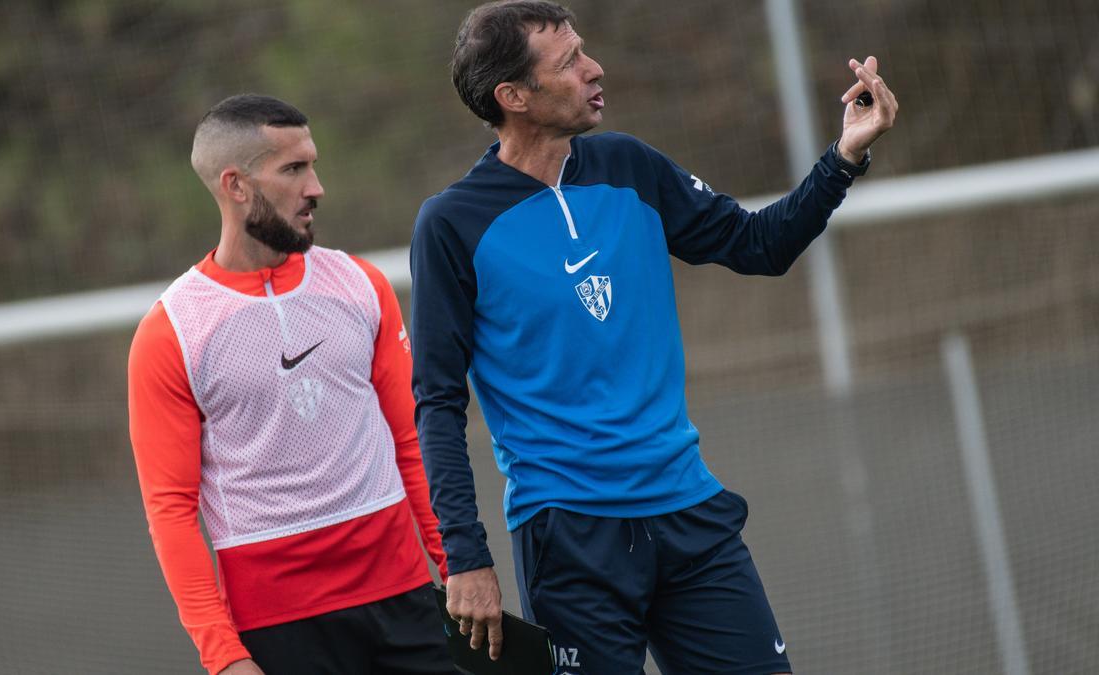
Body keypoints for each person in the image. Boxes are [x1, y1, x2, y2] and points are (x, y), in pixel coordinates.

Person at [408, 2, 897, 673]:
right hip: (569, 538)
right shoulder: (451, 223)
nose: (594, 69)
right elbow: (436, 402)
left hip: (689, 510)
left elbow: (760, 244)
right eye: (569, 62)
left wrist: (844, 155)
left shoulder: (627, 165)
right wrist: (465, 556)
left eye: (585, 51)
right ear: (513, 97)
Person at [128, 94, 456, 675]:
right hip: (278, 629)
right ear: (236, 185)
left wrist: (456, 565)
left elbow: (412, 443)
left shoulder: (361, 285)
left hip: (405, 602)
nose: (316, 187)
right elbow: (171, 511)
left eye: (313, 164)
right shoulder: (171, 332)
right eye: (294, 169)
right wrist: (224, 656)